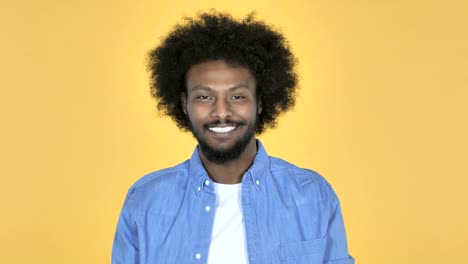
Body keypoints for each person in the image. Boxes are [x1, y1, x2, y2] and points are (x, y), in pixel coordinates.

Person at [112, 11, 354, 264]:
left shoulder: (312, 195)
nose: (222, 112)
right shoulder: (146, 199)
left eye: (237, 96)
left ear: (260, 101)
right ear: (184, 103)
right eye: (204, 97)